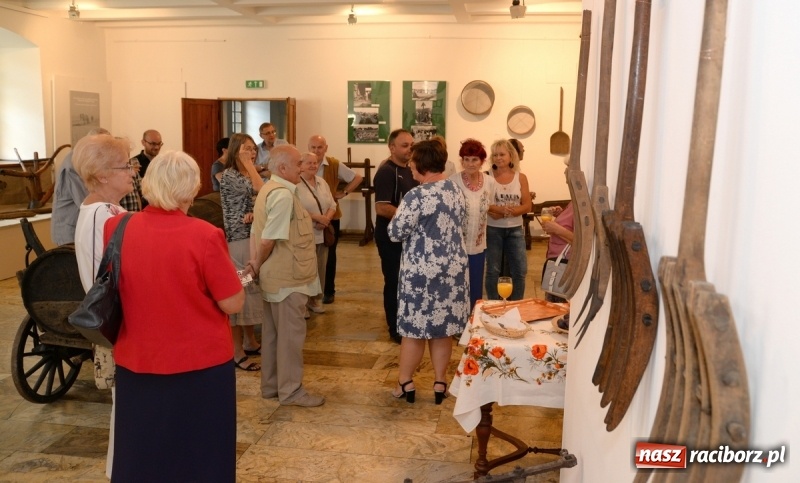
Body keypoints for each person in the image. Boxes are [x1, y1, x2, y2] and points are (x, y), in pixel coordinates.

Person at [107, 150, 244, 482]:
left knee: (141, 449)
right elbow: (232, 303)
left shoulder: (116, 226)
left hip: (136, 357)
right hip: (199, 365)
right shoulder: (204, 235)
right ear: (192, 188)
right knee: (200, 452)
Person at [71, 133, 134, 479]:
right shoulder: (101, 214)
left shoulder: (113, 210)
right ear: (101, 174)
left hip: (125, 320)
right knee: (125, 408)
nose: (132, 171)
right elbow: (107, 277)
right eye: (125, 165)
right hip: (119, 322)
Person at [388, 140, 469, 405]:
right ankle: (439, 382)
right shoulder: (457, 190)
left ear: (421, 164)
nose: (409, 165)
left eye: (412, 161)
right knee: (442, 329)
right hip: (453, 271)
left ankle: (405, 382)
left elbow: (395, 232)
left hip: (422, 273)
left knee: (414, 330)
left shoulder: (417, 195)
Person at [246, 144, 325, 408]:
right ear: (282, 168)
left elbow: (256, 234)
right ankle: (291, 391)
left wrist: (256, 267)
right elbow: (267, 240)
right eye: (297, 163)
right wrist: (255, 265)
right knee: (289, 339)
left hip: (277, 279)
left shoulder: (270, 189)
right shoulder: (282, 196)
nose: (302, 167)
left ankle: (271, 387)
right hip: (288, 280)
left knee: (272, 336)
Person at [219, 133, 265, 371]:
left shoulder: (248, 172)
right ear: (236, 150)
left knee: (250, 287)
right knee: (241, 288)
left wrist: (257, 213)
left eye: (253, 149)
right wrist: (249, 164)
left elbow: (263, 198)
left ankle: (250, 340)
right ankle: (236, 351)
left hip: (252, 236)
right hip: (237, 239)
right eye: (247, 149)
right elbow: (259, 188)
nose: (252, 153)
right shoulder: (230, 175)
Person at [373, 129, 418, 344]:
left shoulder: (411, 170)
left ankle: (406, 320)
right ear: (392, 148)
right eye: (404, 145)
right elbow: (382, 208)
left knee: (406, 281)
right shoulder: (386, 172)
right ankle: (395, 328)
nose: (410, 148)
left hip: (408, 238)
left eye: (411, 144)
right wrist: (410, 217)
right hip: (390, 238)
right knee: (393, 281)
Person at [308, 134, 364, 304]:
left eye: (320, 147)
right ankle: (310, 294)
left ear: (326, 148)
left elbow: (357, 177)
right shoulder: (304, 162)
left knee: (329, 255)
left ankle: (328, 291)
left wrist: (343, 192)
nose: (316, 151)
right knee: (309, 256)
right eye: (313, 147)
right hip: (309, 218)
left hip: (330, 217)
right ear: (308, 147)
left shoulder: (333, 164)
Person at [485, 139, 532, 301]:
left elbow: (527, 206)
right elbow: (484, 203)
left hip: (515, 230)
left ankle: (517, 304)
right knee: (493, 270)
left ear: (511, 156)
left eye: (502, 154)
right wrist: (496, 210)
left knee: (520, 270)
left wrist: (504, 212)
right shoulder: (486, 177)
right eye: (495, 155)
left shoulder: (521, 177)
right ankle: (493, 304)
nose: (498, 158)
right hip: (492, 229)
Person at [450, 138, 495, 309]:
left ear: (482, 161)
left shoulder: (490, 182)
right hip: (456, 247)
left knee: (476, 288)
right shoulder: (453, 182)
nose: (470, 163)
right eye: (466, 159)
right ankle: (456, 325)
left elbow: (488, 207)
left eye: (474, 159)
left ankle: (472, 324)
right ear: (461, 160)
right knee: (457, 287)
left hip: (478, 246)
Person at [50, 127, 108, 245]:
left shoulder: (88, 160)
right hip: (69, 232)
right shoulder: (74, 163)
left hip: (80, 230)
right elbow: (86, 200)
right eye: (103, 147)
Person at [297, 151, 337, 314]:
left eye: (315, 163)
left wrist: (325, 219)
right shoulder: (296, 185)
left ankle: (313, 300)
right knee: (305, 271)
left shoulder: (322, 182)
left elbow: (332, 204)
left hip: (322, 235)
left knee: (320, 269)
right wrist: (316, 218)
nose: (313, 166)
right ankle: (303, 303)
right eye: (309, 163)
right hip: (305, 235)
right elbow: (296, 209)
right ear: (301, 166)